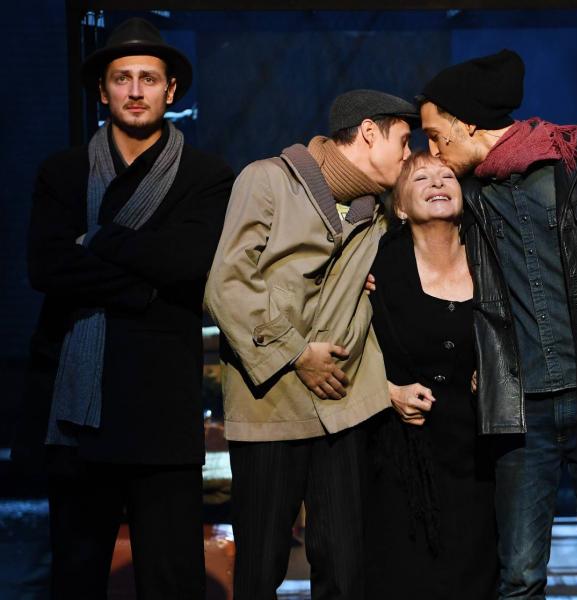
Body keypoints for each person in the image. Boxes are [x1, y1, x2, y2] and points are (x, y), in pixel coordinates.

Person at [417, 49, 577, 598]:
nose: (432, 150)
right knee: (520, 578)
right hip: (522, 411)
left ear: (467, 124)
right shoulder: (469, 196)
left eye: (436, 136)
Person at [23, 17, 234, 599]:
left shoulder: (207, 175)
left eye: (149, 78)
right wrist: (144, 285)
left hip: (160, 408)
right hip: (76, 413)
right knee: (76, 580)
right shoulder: (63, 172)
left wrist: (96, 240)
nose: (135, 90)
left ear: (171, 90)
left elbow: (188, 263)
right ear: (102, 90)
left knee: (173, 581)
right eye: (122, 78)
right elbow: (47, 268)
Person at [204, 89, 416, 599]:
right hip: (271, 405)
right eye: (405, 141)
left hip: (343, 406)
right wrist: (297, 354)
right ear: (370, 133)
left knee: (344, 569)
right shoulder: (269, 180)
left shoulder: (379, 215)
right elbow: (226, 285)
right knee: (260, 567)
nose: (409, 155)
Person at [362, 151, 499, 599]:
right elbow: (348, 346)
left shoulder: (493, 257)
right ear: (400, 206)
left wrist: (496, 365)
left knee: (476, 578)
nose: (437, 182)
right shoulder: (375, 265)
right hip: (401, 457)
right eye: (421, 177)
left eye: (446, 176)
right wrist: (386, 391)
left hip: (479, 455)